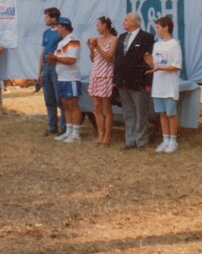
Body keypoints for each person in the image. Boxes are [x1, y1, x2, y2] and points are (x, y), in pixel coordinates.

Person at [113, 12, 155, 150]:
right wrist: (115, 79)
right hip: (123, 81)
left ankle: (141, 141)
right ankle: (130, 140)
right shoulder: (122, 37)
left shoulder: (146, 37)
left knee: (141, 112)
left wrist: (148, 82)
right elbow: (117, 59)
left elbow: (148, 61)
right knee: (128, 112)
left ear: (135, 22)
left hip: (139, 81)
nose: (123, 22)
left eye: (126, 20)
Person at [144, 16, 182, 154]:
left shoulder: (174, 44)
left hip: (170, 86)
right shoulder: (156, 45)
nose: (157, 30)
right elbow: (156, 65)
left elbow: (176, 66)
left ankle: (173, 141)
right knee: (162, 114)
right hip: (158, 86)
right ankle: (165, 140)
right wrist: (150, 63)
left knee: (171, 114)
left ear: (166, 28)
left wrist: (160, 68)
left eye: (158, 27)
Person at [48, 17, 82, 143]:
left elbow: (71, 60)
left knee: (73, 104)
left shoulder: (73, 40)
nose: (57, 29)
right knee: (65, 105)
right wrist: (52, 59)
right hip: (62, 77)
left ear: (64, 27)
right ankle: (68, 131)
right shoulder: (61, 42)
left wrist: (55, 58)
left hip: (71, 78)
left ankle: (76, 133)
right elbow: (59, 59)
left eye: (58, 26)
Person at [87, 16, 118, 147]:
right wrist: (91, 48)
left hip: (106, 75)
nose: (97, 28)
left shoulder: (114, 39)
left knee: (106, 107)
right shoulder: (97, 39)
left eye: (98, 25)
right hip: (96, 74)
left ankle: (107, 136)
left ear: (105, 25)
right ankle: (100, 134)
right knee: (97, 107)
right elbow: (94, 59)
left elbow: (109, 57)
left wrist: (97, 47)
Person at [38, 7, 67, 136]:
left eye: (47, 17)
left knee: (59, 98)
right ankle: (52, 126)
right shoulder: (46, 33)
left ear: (54, 18)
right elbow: (42, 52)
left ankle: (65, 127)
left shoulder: (61, 33)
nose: (45, 19)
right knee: (49, 98)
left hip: (56, 66)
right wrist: (39, 71)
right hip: (46, 68)